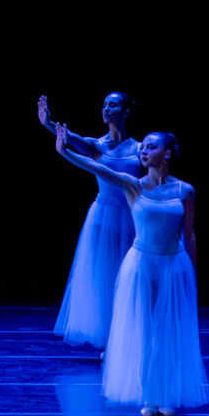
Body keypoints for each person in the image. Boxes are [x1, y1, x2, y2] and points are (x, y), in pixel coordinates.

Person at [54, 123, 207, 416]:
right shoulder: (132, 184)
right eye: (142, 146)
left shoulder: (184, 190)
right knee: (145, 329)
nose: (143, 150)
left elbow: (189, 235)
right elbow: (95, 168)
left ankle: (166, 393)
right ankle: (149, 395)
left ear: (168, 153)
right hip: (140, 264)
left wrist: (193, 273)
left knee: (168, 329)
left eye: (151, 146)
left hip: (174, 265)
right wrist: (65, 152)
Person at [38, 93, 143, 349]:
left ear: (127, 111)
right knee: (103, 276)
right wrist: (49, 124)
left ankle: (131, 335)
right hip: (103, 216)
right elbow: (70, 139)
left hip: (131, 216)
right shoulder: (97, 145)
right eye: (104, 104)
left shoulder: (139, 148)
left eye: (114, 104)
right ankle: (110, 339)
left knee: (129, 276)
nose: (107, 109)